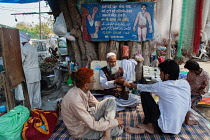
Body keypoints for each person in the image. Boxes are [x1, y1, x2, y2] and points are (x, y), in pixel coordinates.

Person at [124, 59, 197, 135]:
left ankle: (150, 125)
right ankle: (150, 125)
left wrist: (130, 84)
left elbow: (143, 87)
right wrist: (187, 121)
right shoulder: (185, 84)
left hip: (161, 128)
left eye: (161, 73)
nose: (159, 76)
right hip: (177, 129)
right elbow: (188, 105)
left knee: (144, 93)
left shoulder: (161, 85)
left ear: (167, 75)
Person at [61, 68, 124, 140]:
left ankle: (107, 134)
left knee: (111, 101)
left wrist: (111, 120)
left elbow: (98, 105)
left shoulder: (83, 90)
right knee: (119, 130)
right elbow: (93, 125)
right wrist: (114, 122)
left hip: (89, 116)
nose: (94, 82)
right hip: (82, 130)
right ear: (86, 85)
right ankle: (107, 133)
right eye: (93, 81)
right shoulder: (75, 100)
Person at [19, 32, 42, 109]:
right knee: (37, 92)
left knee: (29, 93)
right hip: (36, 72)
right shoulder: (33, 48)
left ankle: (29, 109)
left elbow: (20, 61)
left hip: (29, 73)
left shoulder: (24, 49)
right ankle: (38, 108)